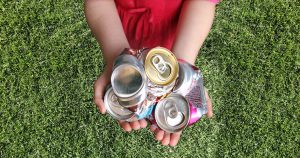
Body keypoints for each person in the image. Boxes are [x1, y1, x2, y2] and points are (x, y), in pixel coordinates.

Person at [84, 0, 218, 146]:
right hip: (117, 28)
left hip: (180, 29)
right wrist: (117, 56)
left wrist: (183, 68)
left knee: (160, 63)